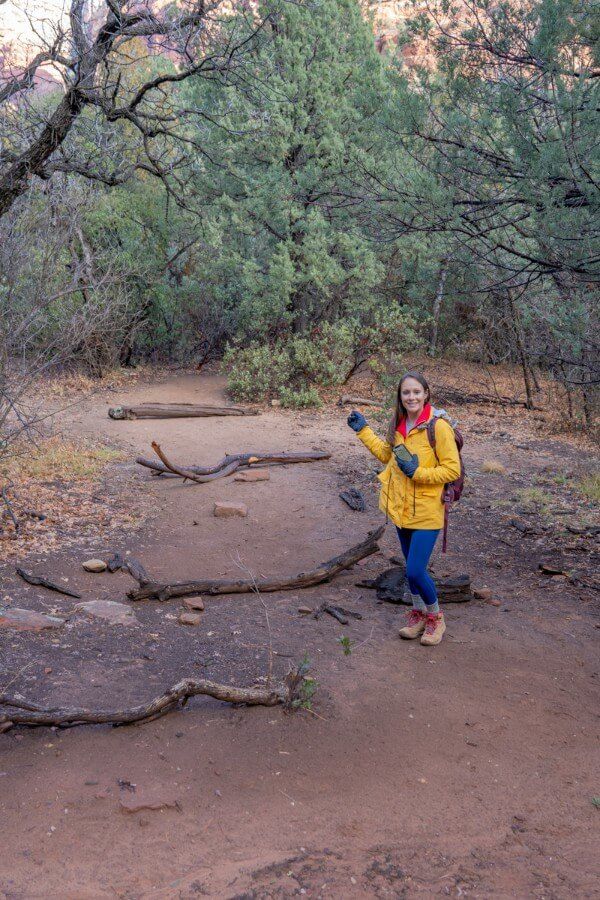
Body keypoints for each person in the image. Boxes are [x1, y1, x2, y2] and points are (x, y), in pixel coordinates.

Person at [347, 372, 460, 646]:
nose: (411, 397)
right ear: (400, 396)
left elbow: (452, 469)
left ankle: (436, 617)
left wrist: (418, 472)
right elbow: (387, 455)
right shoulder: (399, 424)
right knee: (411, 568)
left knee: (414, 571)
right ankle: (419, 614)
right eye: (406, 393)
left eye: (416, 392)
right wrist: (363, 430)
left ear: (426, 394)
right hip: (401, 508)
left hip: (427, 511)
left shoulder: (438, 427)